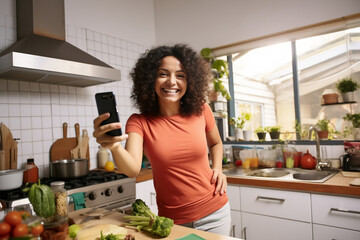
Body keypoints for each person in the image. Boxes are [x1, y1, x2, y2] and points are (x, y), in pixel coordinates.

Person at [93, 44, 231, 235]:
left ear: (190, 81)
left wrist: (218, 168)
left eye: (180, 75)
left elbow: (216, 143)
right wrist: (115, 147)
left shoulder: (201, 109)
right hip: (173, 221)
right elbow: (132, 169)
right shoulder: (140, 122)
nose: (172, 82)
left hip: (215, 212)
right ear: (151, 79)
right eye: (163, 74)